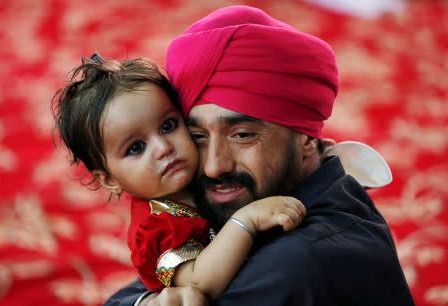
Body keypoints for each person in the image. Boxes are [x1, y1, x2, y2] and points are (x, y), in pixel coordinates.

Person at [104, 5, 415, 306]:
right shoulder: (294, 190)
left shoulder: (292, 266)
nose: (213, 167)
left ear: (307, 137)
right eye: (197, 136)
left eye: (242, 135)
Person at [52, 54, 306, 299]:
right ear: (109, 180)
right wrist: (245, 221)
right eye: (136, 148)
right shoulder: (157, 228)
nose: (164, 148)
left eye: (168, 125)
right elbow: (199, 283)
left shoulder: (191, 178)